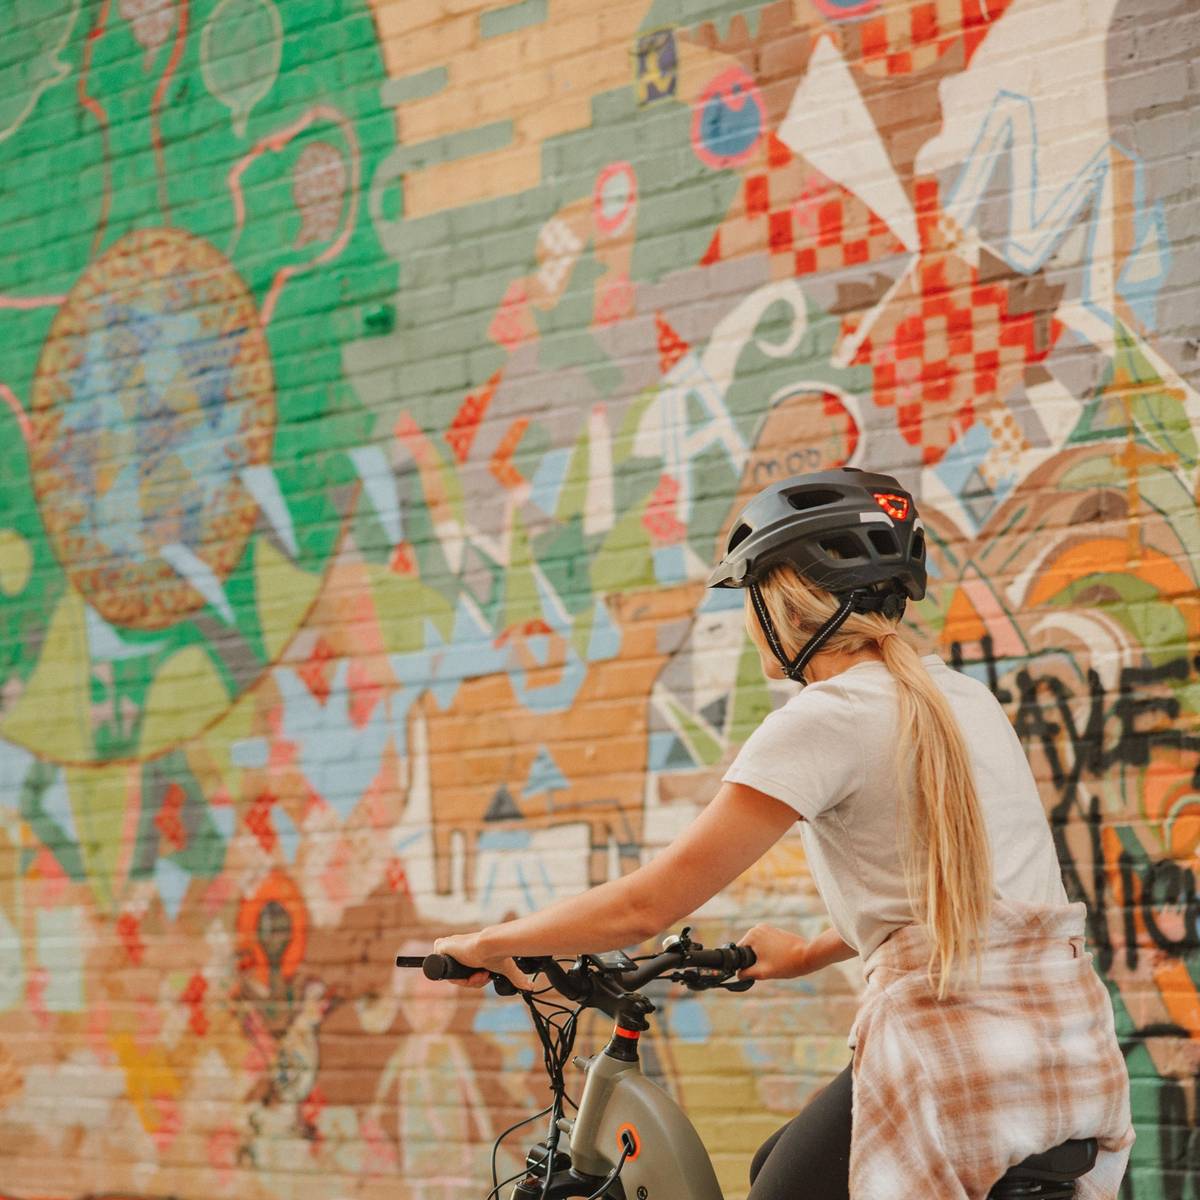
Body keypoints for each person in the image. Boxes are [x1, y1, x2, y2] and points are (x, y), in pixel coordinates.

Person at [425, 467, 1134, 1199]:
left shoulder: (824, 718)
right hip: (1068, 1056)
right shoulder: (965, 698)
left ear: (784, 600)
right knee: (776, 1160)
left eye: (750, 597)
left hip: (950, 1060)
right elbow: (960, 899)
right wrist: (803, 954)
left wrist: (488, 941)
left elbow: (647, 907)